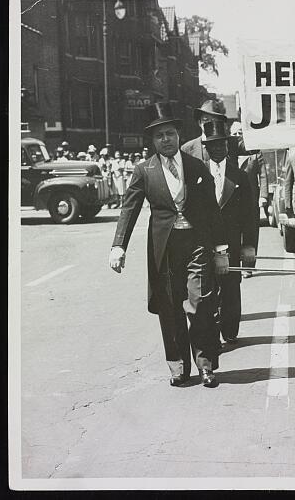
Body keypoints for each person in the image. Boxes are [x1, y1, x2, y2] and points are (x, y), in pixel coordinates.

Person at [108, 102, 230, 388]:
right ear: (152, 140)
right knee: (171, 306)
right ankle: (177, 366)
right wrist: (118, 246)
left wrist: (221, 250)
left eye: (170, 134)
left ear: (178, 135)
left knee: (199, 303)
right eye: (159, 135)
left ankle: (206, 365)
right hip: (164, 248)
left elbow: (212, 211)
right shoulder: (144, 171)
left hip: (197, 244)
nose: (166, 140)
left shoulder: (196, 166)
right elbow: (129, 208)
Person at [188, 115, 257, 345]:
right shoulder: (198, 174)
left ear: (228, 146)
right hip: (204, 243)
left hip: (232, 243)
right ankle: (211, 335)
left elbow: (250, 214)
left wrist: (249, 245)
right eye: (212, 145)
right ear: (205, 148)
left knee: (230, 288)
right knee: (207, 290)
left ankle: (229, 331)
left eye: (222, 144)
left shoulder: (240, 176)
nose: (218, 149)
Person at [227, 121, 268, 279]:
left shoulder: (254, 152)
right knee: (235, 233)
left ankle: (248, 266)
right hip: (232, 200)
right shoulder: (228, 152)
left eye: (240, 133)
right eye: (234, 133)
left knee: (251, 232)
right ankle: (236, 263)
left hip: (250, 198)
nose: (237, 136)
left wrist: (263, 196)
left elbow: (263, 175)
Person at [181, 99, 224, 166]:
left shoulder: (230, 145)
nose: (209, 124)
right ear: (199, 123)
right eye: (206, 120)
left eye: (214, 120)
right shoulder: (186, 149)